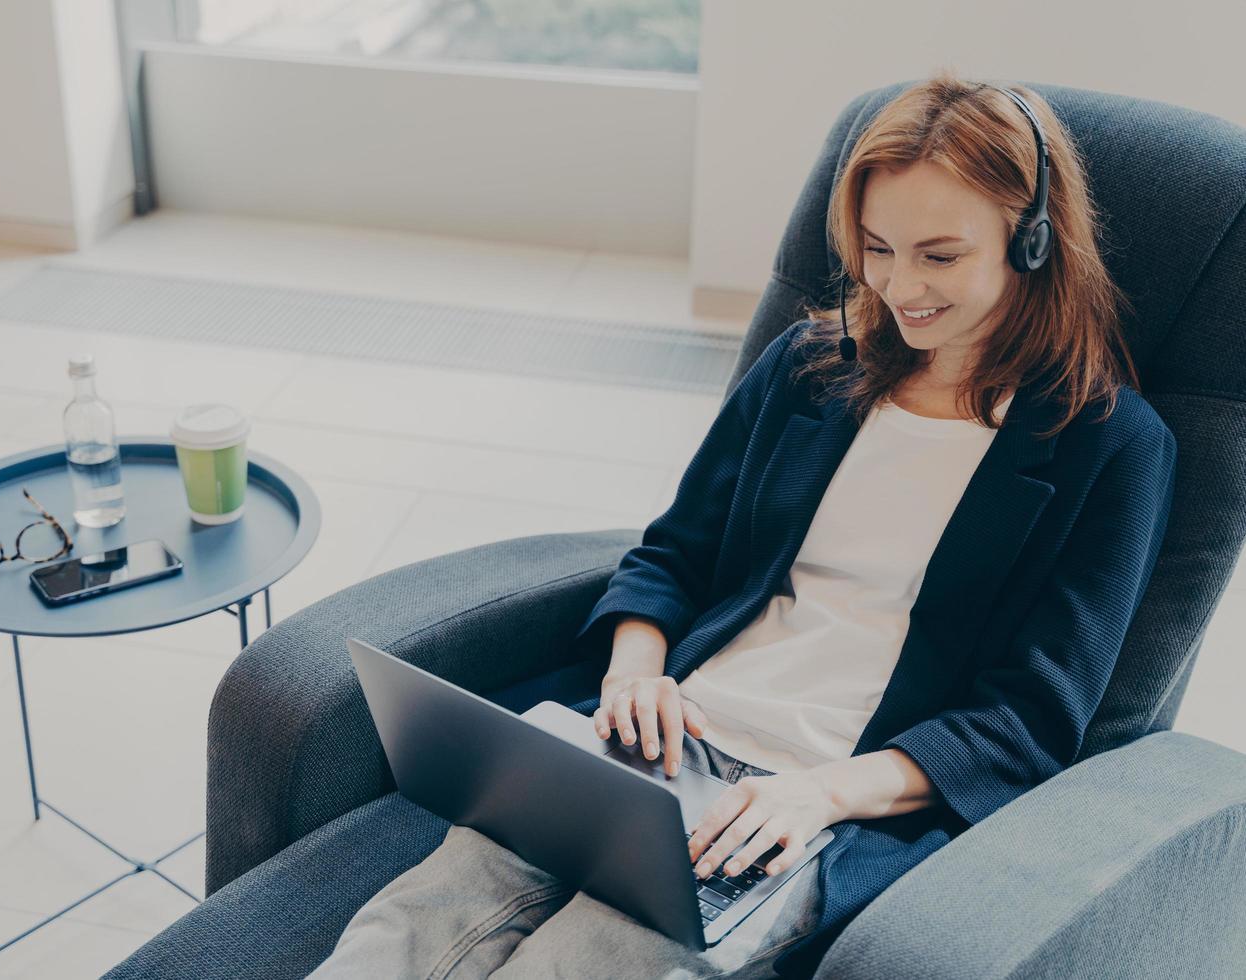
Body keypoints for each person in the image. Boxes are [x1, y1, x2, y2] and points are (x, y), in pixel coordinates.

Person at [308, 70, 1176, 980]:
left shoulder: (1108, 448)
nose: (898, 285)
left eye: (940, 255)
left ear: (1031, 242)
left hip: (819, 790)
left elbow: (1027, 722)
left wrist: (817, 796)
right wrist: (635, 673)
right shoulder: (809, 367)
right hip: (661, 739)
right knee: (412, 922)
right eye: (877, 247)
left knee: (593, 960)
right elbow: (674, 551)